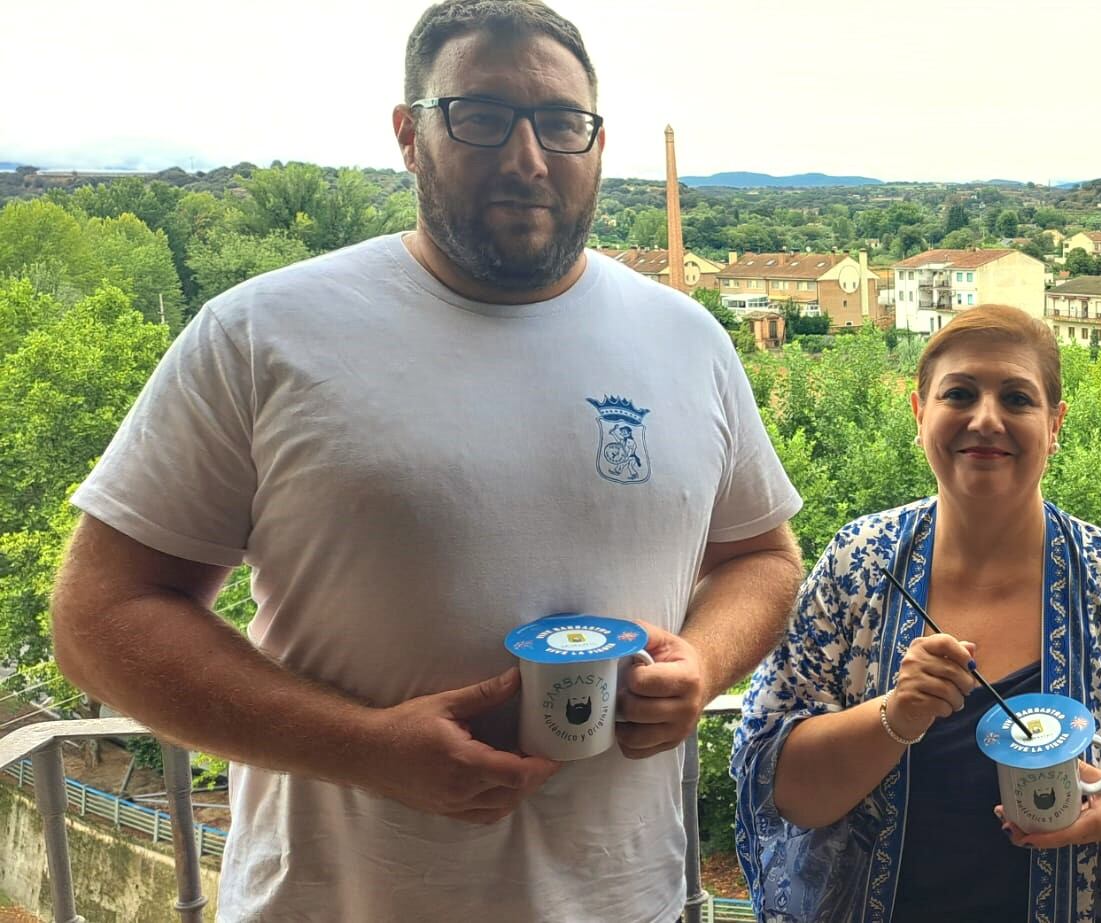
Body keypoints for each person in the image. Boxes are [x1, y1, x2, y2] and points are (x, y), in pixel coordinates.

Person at [48, 2, 804, 920]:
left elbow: (762, 557)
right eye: (482, 115)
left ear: (597, 145)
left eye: (562, 123)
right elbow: (100, 616)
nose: (529, 157)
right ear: (410, 135)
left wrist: (704, 663)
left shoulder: (688, 341)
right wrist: (361, 745)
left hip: (622, 901)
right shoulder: (261, 333)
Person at [732, 305, 1101, 922]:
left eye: (1017, 398)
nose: (986, 418)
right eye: (959, 393)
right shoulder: (859, 567)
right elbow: (778, 786)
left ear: (1055, 423)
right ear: (919, 413)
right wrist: (895, 715)